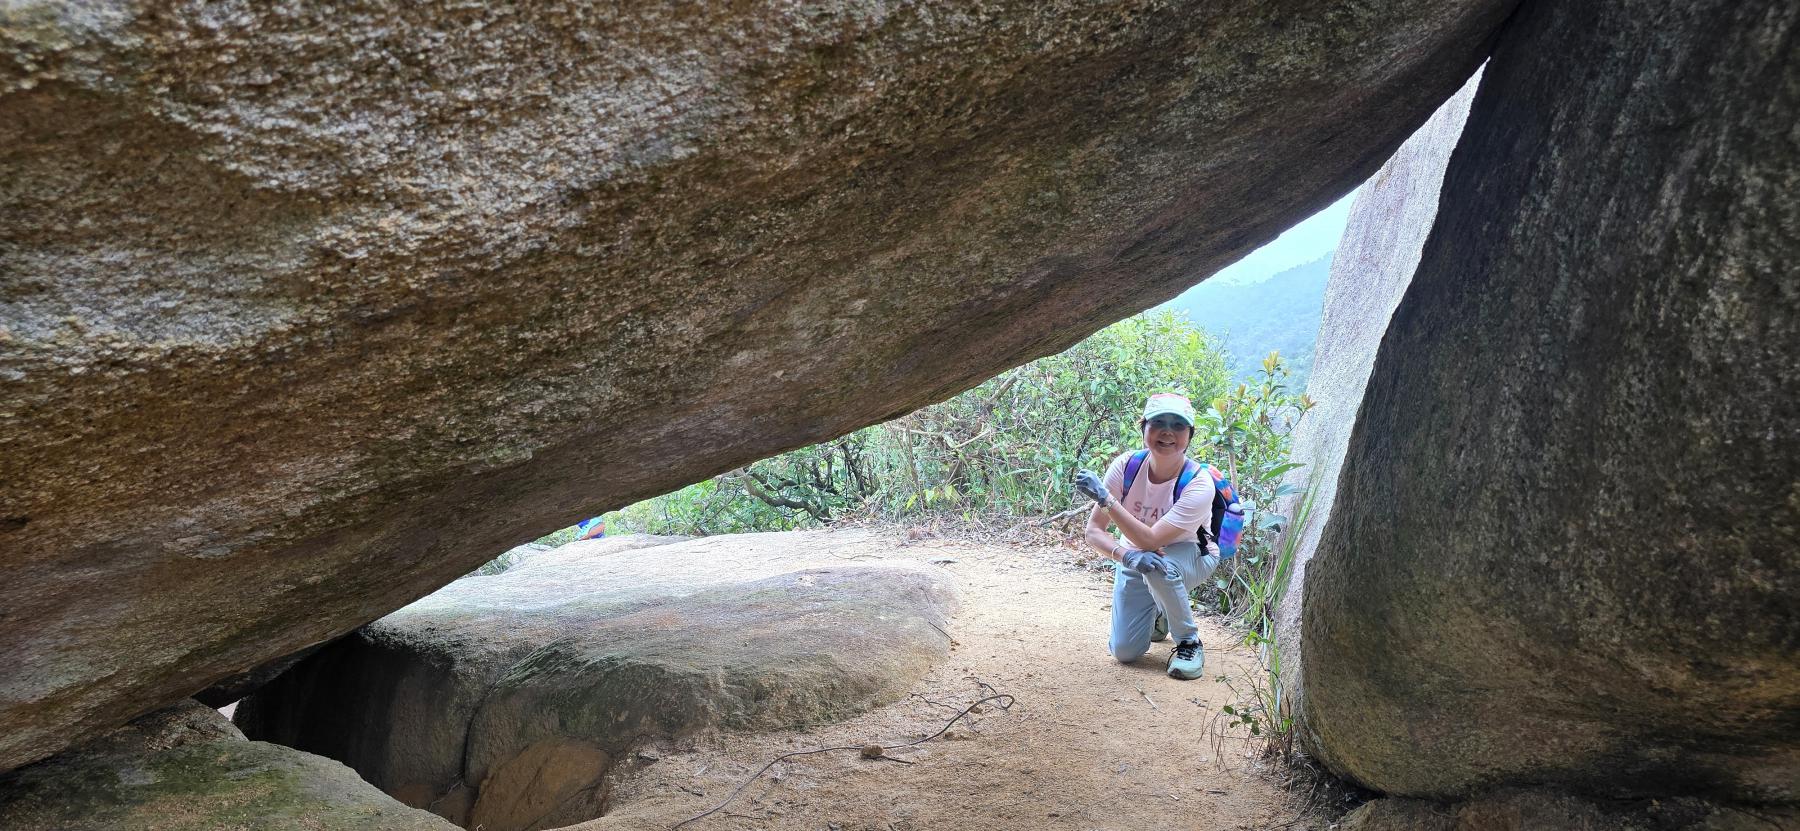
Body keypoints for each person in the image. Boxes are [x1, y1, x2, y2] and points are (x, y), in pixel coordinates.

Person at [1073, 392, 1219, 680]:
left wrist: (1106, 499)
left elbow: (1151, 541)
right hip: (1136, 557)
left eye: (1178, 425)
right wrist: (1127, 556)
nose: (1167, 432)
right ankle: (1159, 611)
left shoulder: (1199, 483)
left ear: (1190, 435)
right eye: (1158, 423)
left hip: (1191, 555)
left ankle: (1189, 643)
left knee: (1158, 567)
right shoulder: (1126, 467)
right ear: (1144, 429)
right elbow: (1094, 531)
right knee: (1124, 651)